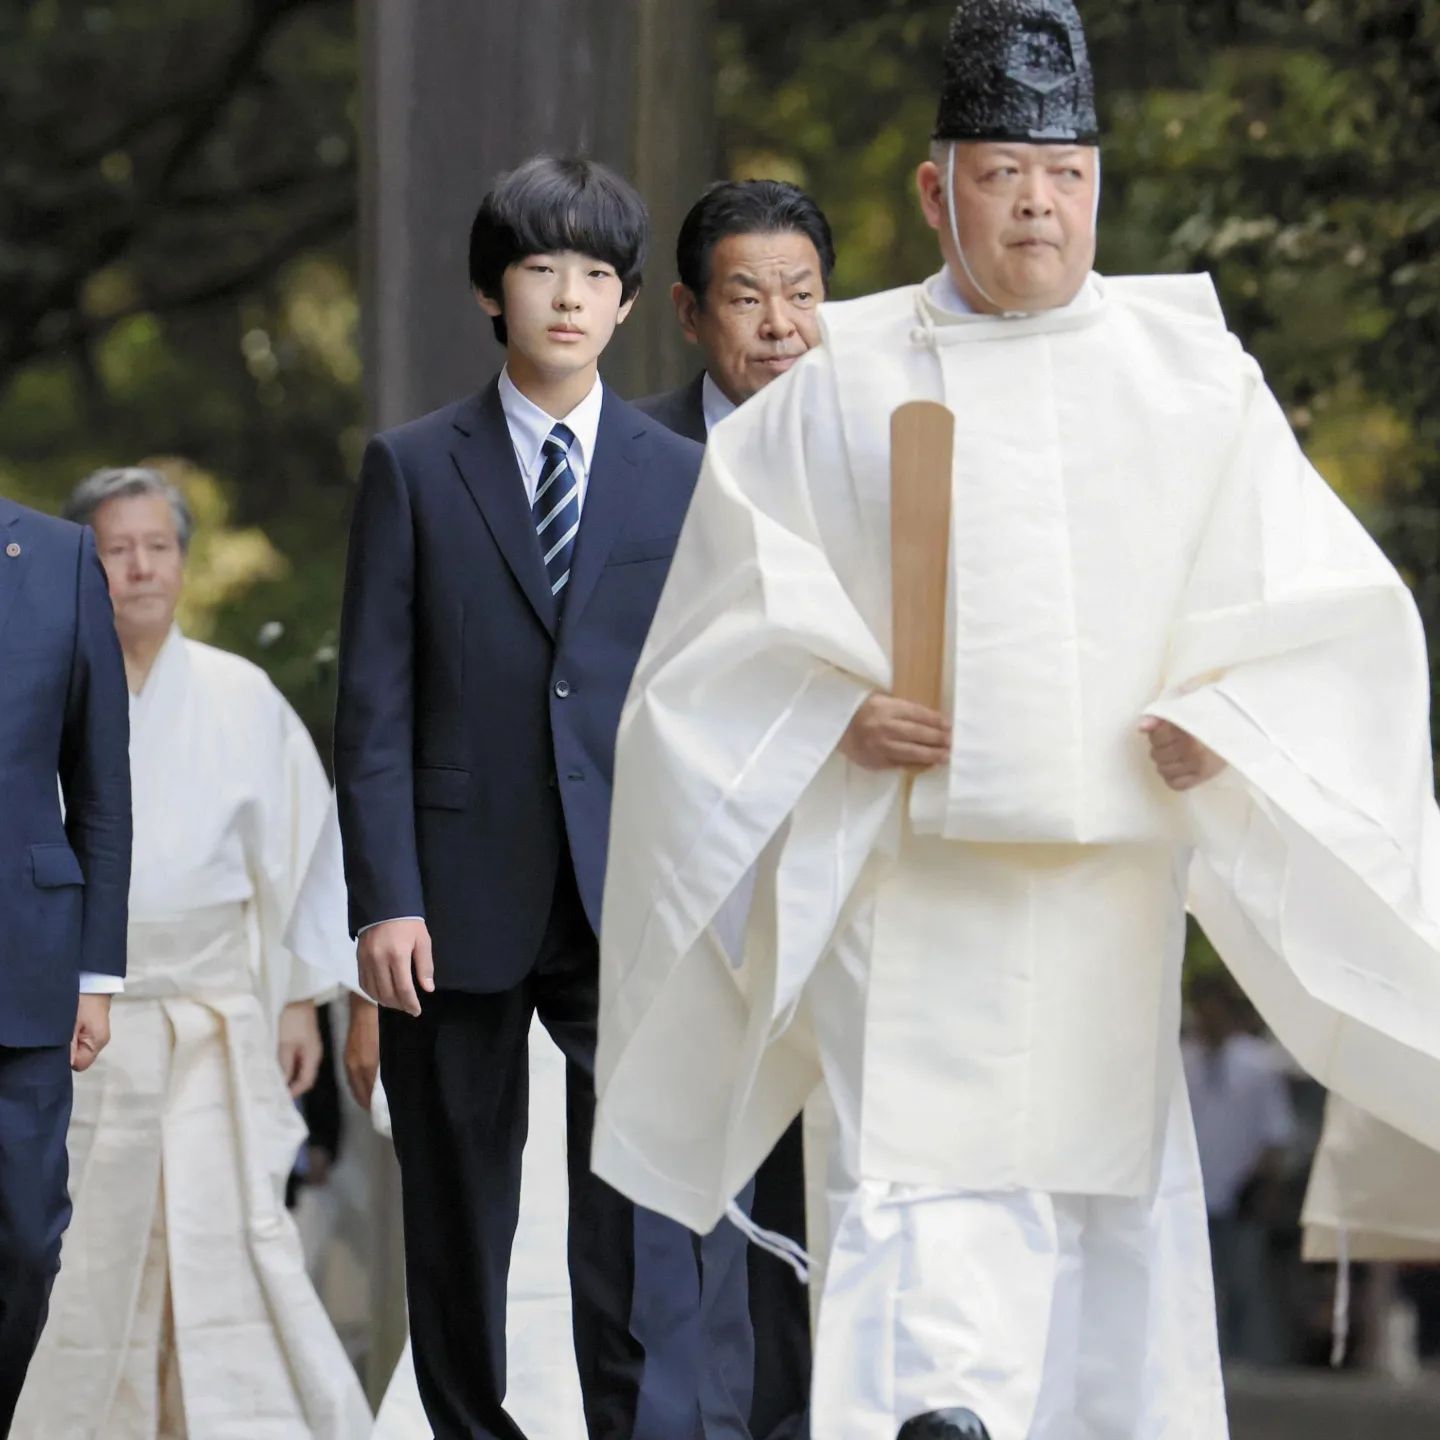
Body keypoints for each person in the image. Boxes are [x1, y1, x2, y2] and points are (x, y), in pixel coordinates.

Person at [591, 3, 1440, 1437]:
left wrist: (1224, 716)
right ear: (938, 192)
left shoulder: (1193, 380)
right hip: (912, 895)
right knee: (920, 1219)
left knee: (1109, 1229)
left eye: (1066, 176)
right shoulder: (837, 386)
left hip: (1108, 897)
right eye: (1005, 174)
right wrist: (840, 713)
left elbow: (1325, 615)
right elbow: (717, 640)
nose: (1040, 204)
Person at [334, 155, 753, 1440]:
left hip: (628, 887)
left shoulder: (679, 475)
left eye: (595, 273)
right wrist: (384, 903)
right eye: (539, 267)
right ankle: (470, 1428)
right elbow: (375, 709)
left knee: (628, 1199)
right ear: (489, 292)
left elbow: (708, 693)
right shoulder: (412, 468)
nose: (567, 296)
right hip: (454, 898)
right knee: (460, 1205)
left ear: (629, 305)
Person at [12, 467, 370, 1438]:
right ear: (82, 565)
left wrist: (300, 999)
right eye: (115, 549)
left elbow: (301, 852)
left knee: (228, 1239)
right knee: (81, 1251)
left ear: (182, 560)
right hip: (82, 1020)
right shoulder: (35, 686)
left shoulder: (239, 695)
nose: (138, 569)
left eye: (156, 547)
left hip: (214, 1012)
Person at [638, 176, 837, 1440]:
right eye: (747, 295)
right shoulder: (633, 459)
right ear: (689, 313)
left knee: (829, 1192)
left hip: (843, 868)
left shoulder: (884, 445)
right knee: (680, 1202)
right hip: (680, 877)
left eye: (803, 294)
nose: (779, 322)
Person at [0, 496, 130, 1433]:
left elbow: (100, 782)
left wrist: (98, 970)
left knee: (25, 1239)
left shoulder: (58, 555)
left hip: (29, 961)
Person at [1183, 972, 1297, 1363]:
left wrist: (1265, 1186)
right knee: (1195, 1282)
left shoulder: (1257, 1064)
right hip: (1191, 1192)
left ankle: (1244, 1360)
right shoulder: (1183, 1060)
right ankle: (1203, 1359)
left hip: (1240, 1190)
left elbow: (1275, 1133)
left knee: (1242, 1280)